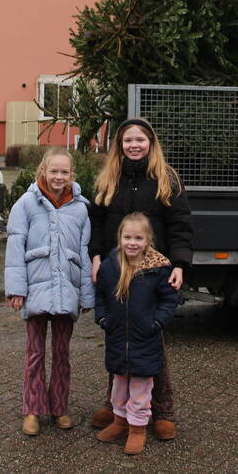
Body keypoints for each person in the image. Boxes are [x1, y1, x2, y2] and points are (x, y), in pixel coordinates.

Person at [88, 117, 193, 440]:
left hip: (152, 270)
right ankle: (117, 406)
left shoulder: (166, 179)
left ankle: (162, 409)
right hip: (116, 268)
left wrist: (179, 264)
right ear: (119, 145)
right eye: (128, 140)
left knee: (151, 341)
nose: (134, 145)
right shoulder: (108, 179)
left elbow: (180, 225)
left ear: (151, 143)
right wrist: (95, 257)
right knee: (118, 336)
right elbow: (97, 222)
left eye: (141, 140)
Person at [4, 147, 94, 436]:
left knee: (62, 353)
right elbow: (15, 247)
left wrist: (86, 294)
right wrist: (16, 289)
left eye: (64, 172)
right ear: (43, 170)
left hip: (67, 290)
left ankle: (59, 407)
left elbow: (84, 253)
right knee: (34, 353)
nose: (58, 177)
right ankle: (32, 409)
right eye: (53, 171)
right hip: (36, 289)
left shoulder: (81, 208)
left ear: (72, 175)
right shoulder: (26, 204)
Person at [94, 212, 179, 456]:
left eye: (138, 238)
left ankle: (137, 429)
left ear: (148, 240)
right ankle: (119, 422)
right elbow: (99, 294)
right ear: (119, 238)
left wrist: (158, 322)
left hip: (146, 340)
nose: (132, 242)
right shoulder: (110, 267)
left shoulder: (157, 270)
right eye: (127, 237)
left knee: (141, 390)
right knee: (118, 387)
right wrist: (102, 318)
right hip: (118, 339)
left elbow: (169, 298)